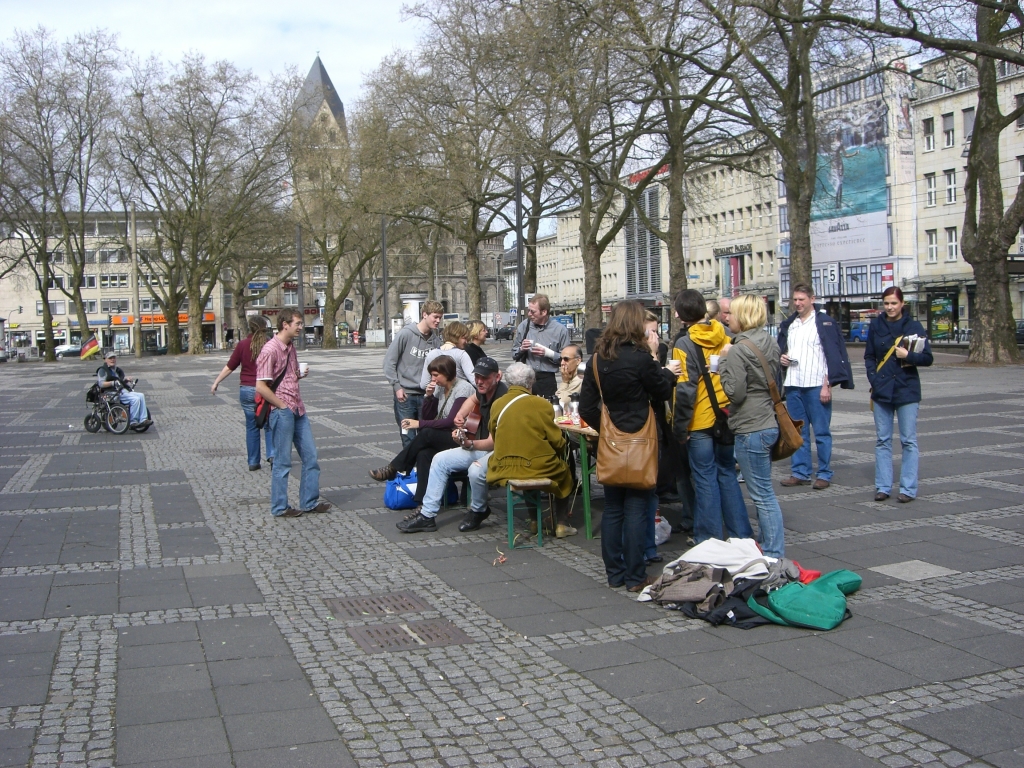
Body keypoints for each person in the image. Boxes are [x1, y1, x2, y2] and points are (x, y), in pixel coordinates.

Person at [581, 301, 677, 593]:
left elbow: (586, 407)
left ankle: (615, 573)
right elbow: (661, 390)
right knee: (637, 507)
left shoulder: (598, 359)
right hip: (642, 440)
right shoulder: (640, 358)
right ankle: (636, 576)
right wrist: (663, 367)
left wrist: (605, 429)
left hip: (611, 440)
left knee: (613, 508)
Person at [672, 289, 752, 545]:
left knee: (704, 478)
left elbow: (685, 390)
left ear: (681, 315)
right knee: (727, 473)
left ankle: (709, 537)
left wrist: (680, 427)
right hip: (725, 414)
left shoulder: (683, 344)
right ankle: (741, 534)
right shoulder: (725, 334)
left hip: (699, 420)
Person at [396, 357, 508, 533]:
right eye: (477, 376)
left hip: (499, 451)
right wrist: (461, 415)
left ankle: (479, 510)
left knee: (474, 469)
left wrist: (469, 443)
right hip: (482, 447)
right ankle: (427, 515)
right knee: (439, 459)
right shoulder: (482, 390)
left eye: (484, 377)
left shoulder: (502, 399)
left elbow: (493, 443)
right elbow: (472, 399)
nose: (479, 381)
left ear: (497, 377)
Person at [720, 295, 786, 558]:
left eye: (732, 314)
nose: (728, 318)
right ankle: (769, 544)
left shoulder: (737, 349)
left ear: (743, 317)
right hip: (769, 421)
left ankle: (772, 552)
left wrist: (723, 361)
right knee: (764, 490)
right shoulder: (770, 342)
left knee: (762, 494)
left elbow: (734, 393)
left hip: (751, 425)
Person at [482, 363, 576, 536]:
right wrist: (563, 447)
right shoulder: (540, 404)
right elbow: (556, 440)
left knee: (526, 467)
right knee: (564, 473)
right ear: (531, 381)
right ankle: (562, 524)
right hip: (536, 465)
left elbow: (494, 435)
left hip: (503, 465)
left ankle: (534, 521)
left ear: (509, 382)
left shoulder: (497, 404)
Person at [777, 283, 854, 490]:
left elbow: (832, 354)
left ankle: (824, 473)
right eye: (795, 299)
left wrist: (827, 384)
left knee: (821, 432)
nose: (798, 303)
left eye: (802, 299)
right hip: (794, 384)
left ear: (812, 299)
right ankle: (800, 472)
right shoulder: (789, 324)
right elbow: (782, 348)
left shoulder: (824, 323)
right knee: (797, 432)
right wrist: (782, 359)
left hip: (816, 384)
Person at [370, 356, 475, 507]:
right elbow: (429, 417)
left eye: (436, 375)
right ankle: (422, 503)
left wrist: (417, 423)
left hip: (461, 438)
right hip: (446, 436)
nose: (433, 379)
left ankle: (395, 467)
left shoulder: (463, 388)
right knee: (423, 453)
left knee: (426, 433)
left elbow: (449, 421)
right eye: (432, 375)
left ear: (447, 373)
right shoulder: (440, 388)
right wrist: (429, 397)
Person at [255, 309, 331, 518]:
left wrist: (299, 375)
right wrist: (281, 405)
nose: (300, 327)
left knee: (311, 457)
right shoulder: (270, 350)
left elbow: (288, 376)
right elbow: (260, 386)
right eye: (297, 324)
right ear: (284, 324)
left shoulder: (290, 347)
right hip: (283, 411)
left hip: (298, 408)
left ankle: (309, 502)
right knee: (282, 461)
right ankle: (280, 507)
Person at [865, 287, 933, 503]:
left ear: (902, 303)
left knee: (908, 441)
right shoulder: (876, 325)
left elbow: (928, 358)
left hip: (907, 388)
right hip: (882, 389)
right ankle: (883, 486)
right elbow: (869, 356)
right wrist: (874, 379)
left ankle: (907, 489)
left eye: (894, 303)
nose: (890, 307)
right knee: (882, 440)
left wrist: (909, 355)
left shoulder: (913, 326)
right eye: (886, 303)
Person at [211, 316, 274, 471]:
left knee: (251, 426)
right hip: (265, 389)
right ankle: (272, 456)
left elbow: (230, 366)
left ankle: (253, 461)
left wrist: (216, 381)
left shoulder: (243, 345)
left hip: (246, 390)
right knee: (269, 425)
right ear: (265, 327)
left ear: (250, 328)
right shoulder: (271, 344)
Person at [383, 300, 443, 448]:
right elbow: (389, 362)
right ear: (424, 315)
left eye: (440, 317)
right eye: (435, 317)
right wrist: (397, 387)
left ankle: (421, 469)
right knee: (407, 436)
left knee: (425, 435)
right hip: (405, 396)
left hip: (426, 396)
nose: (438, 321)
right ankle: (410, 469)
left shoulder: (436, 341)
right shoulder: (406, 334)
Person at [511, 293, 570, 397]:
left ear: (544, 312)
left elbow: (567, 359)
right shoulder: (524, 326)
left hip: (547, 380)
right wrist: (521, 349)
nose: (529, 314)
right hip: (525, 378)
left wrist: (548, 353)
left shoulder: (560, 330)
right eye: (528, 310)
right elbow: (514, 354)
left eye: (533, 312)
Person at [96, 350, 151, 428]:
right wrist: (113, 383)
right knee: (135, 399)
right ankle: (133, 421)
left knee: (141, 395)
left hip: (121, 391)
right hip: (112, 393)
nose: (112, 360)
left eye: (114, 358)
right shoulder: (102, 370)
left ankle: (143, 419)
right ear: (105, 359)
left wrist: (125, 379)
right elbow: (101, 384)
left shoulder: (116, 370)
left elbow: (119, 380)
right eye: (110, 358)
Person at [419, 321, 475, 388]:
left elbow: (424, 384)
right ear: (456, 335)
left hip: (439, 397)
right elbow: (474, 381)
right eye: (464, 338)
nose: (466, 342)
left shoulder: (431, 354)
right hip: (460, 395)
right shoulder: (461, 354)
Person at [555, 344, 583, 409]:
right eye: (561, 359)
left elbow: (561, 403)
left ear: (578, 360)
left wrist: (565, 382)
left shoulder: (580, 378)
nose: (562, 363)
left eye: (566, 359)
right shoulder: (569, 375)